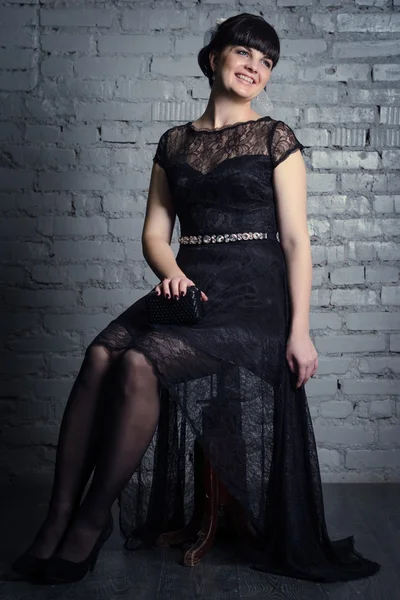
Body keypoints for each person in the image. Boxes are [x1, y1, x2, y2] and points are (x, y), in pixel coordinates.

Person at [12, 12, 381, 585]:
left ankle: (90, 520)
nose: (255, 67)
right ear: (214, 59)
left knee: (138, 362)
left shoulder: (275, 137)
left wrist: (300, 328)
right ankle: (57, 516)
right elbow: (155, 234)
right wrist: (173, 273)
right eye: (245, 54)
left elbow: (294, 240)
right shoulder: (174, 141)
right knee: (99, 355)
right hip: (191, 282)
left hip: (254, 296)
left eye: (267, 62)